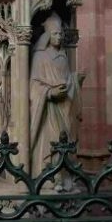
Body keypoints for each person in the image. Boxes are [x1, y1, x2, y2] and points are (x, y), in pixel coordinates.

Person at [29, 14, 81, 173]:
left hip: (64, 105)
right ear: (47, 36)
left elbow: (66, 79)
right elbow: (33, 84)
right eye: (55, 34)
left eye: (60, 34)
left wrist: (75, 79)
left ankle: (63, 175)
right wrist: (50, 93)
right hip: (48, 109)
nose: (58, 37)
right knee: (51, 141)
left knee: (64, 140)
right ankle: (49, 176)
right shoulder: (40, 56)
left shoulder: (63, 55)